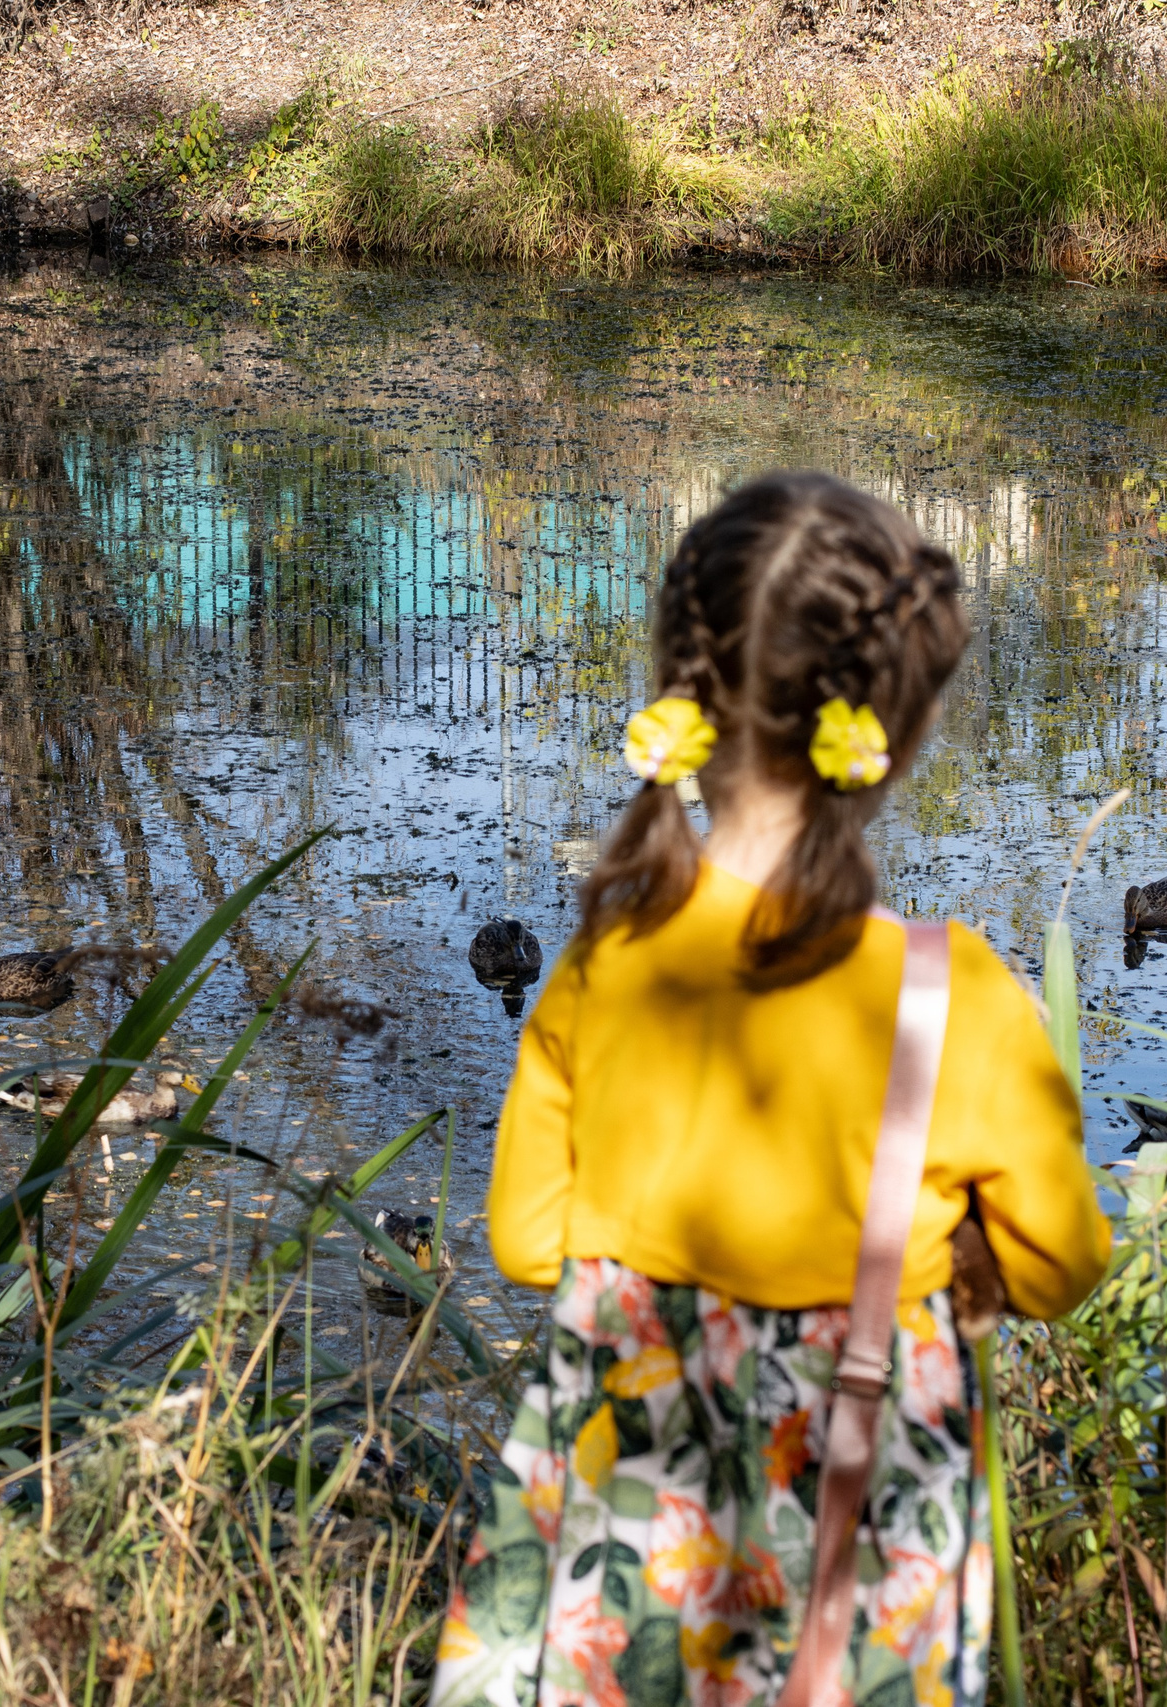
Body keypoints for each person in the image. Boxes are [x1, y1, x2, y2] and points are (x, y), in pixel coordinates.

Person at [432, 473, 1111, 1707]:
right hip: (858, 1551)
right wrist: (949, 1249)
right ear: (891, 728)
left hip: (622, 1551)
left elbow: (527, 1244)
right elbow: (1061, 1266)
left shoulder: (607, 964)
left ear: (690, 697)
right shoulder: (947, 997)